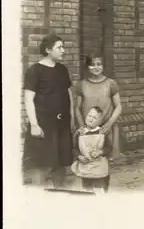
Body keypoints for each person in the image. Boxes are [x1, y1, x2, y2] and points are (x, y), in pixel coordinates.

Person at [23, 34, 75, 185]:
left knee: (60, 162)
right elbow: (28, 99)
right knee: (41, 163)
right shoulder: (34, 71)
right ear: (47, 50)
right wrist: (34, 124)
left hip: (62, 125)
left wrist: (71, 117)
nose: (63, 51)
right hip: (43, 124)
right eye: (59, 47)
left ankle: (59, 195)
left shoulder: (62, 70)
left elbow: (68, 94)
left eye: (63, 47)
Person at [75, 53, 122, 158]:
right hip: (89, 130)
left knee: (105, 160)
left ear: (103, 66)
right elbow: (77, 108)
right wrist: (82, 126)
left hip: (105, 129)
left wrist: (109, 124)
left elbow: (118, 106)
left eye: (99, 64)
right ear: (87, 66)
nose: (96, 67)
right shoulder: (82, 85)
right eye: (92, 64)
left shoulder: (111, 83)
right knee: (89, 158)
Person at [71, 106, 111, 192]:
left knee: (99, 191)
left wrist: (100, 152)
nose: (91, 119)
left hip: (99, 169)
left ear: (100, 121)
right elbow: (74, 149)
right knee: (87, 190)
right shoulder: (79, 133)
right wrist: (79, 156)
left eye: (95, 118)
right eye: (90, 116)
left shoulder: (102, 132)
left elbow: (109, 148)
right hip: (86, 168)